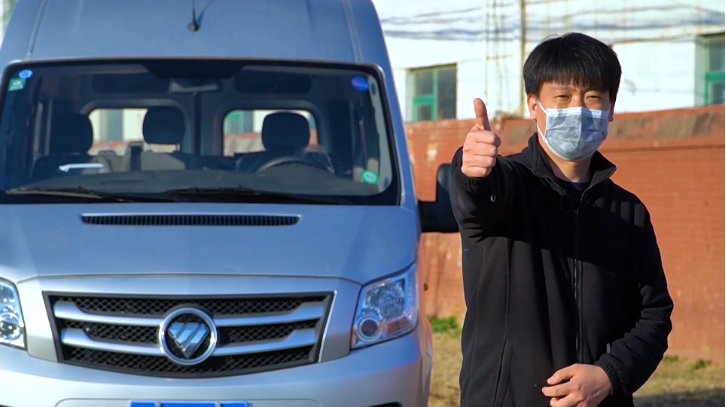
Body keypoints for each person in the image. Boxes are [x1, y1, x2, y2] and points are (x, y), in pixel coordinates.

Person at [449, 32, 674, 407]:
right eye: (563, 97)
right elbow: (476, 201)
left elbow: (653, 315)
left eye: (593, 98)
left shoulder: (628, 212)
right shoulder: (509, 187)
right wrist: (471, 171)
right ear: (533, 105)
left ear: (611, 108)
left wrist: (609, 375)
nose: (579, 110)